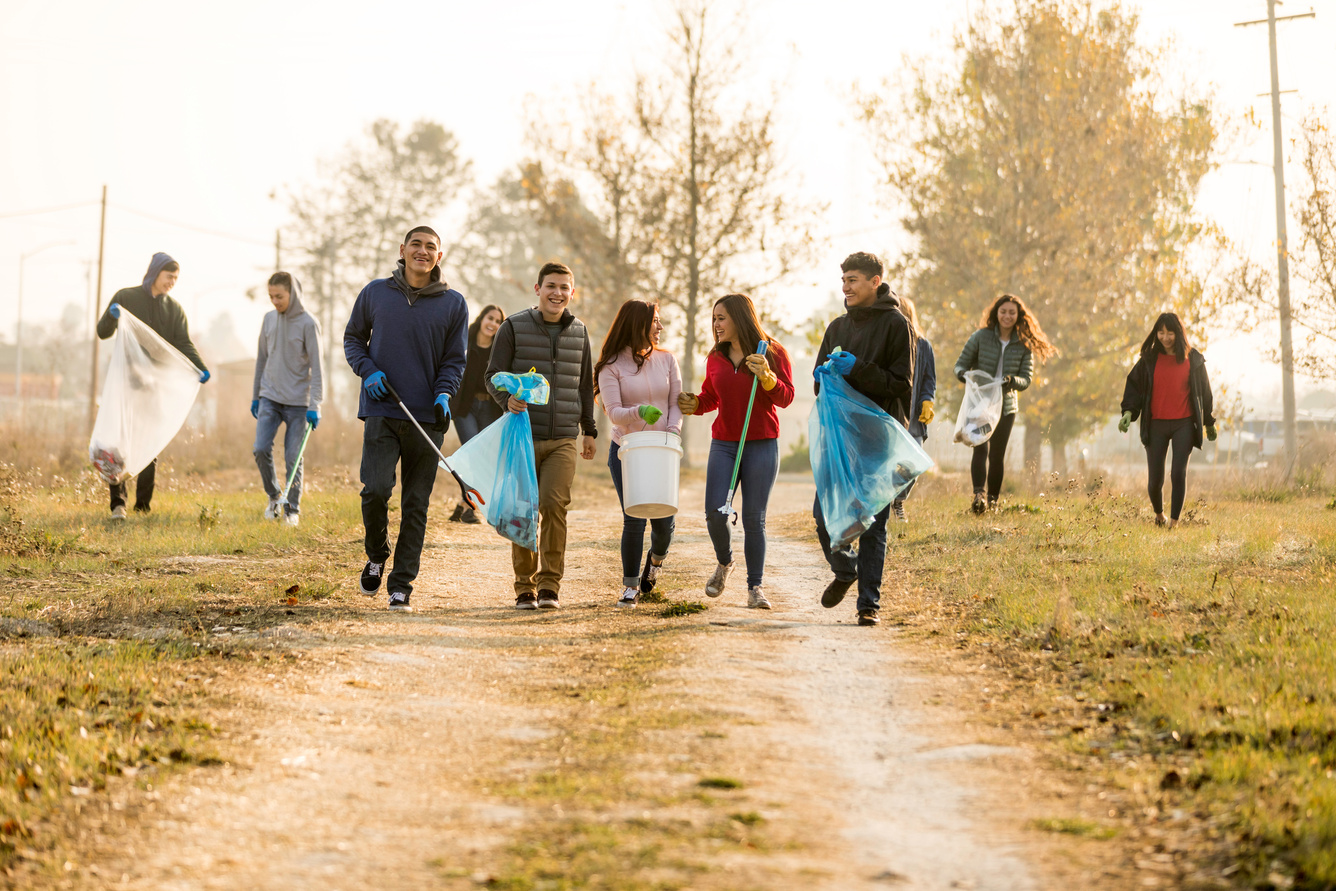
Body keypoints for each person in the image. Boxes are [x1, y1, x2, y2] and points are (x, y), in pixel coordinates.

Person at [344, 227, 468, 612]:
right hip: (382, 409)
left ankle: (402, 585)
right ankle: (376, 554)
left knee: (416, 504)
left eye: (431, 247)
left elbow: (455, 360)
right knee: (376, 490)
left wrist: (444, 393)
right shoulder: (375, 293)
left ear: (439, 257)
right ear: (402, 250)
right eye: (416, 244)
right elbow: (352, 339)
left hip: (427, 417)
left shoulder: (453, 303)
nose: (423, 251)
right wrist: (368, 370)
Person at [486, 262, 597, 610]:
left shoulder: (580, 332)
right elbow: (492, 375)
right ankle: (524, 587)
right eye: (551, 286)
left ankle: (549, 585)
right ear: (537, 289)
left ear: (572, 293)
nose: (557, 293)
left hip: (563, 437)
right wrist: (508, 399)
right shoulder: (513, 327)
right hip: (522, 435)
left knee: (553, 505)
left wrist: (588, 431)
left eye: (564, 287)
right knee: (523, 510)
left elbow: (584, 386)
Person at [812, 253, 915, 627]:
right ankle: (845, 569)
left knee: (874, 523)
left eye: (853, 280)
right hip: (840, 439)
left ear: (875, 282)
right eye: (843, 280)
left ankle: (868, 604)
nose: (846, 287)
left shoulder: (896, 325)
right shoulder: (836, 327)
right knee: (823, 515)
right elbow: (816, 383)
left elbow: (901, 385)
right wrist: (823, 374)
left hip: (879, 438)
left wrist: (858, 368)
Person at [677, 293, 794, 610]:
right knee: (715, 514)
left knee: (755, 520)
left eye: (721, 318)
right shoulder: (715, 357)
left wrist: (768, 378)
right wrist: (694, 405)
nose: (715, 325)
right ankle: (725, 562)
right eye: (714, 318)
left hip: (762, 444)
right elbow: (710, 398)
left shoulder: (772, 352)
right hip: (725, 443)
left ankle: (755, 587)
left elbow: (786, 398)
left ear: (741, 317)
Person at [96, 252, 210, 520]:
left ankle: (143, 506)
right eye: (169, 276)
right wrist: (113, 316)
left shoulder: (174, 310)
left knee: (149, 442)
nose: (172, 282)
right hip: (126, 382)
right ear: (155, 273)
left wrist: (199, 366)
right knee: (119, 441)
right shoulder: (126, 297)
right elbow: (102, 332)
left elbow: (183, 343)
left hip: (153, 384)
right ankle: (118, 504)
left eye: (176, 278)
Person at [595, 300, 682, 608]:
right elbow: (615, 413)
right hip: (627, 451)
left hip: (663, 450)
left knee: (664, 523)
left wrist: (672, 433)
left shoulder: (667, 360)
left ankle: (655, 563)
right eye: (655, 321)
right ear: (637, 325)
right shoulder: (610, 367)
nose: (660, 327)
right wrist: (638, 412)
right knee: (634, 518)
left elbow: (675, 403)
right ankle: (630, 587)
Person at [953, 293, 1057, 514]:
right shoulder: (980, 337)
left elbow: (1026, 379)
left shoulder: (1023, 344)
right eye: (1003, 311)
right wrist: (964, 375)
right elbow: (960, 365)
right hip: (980, 403)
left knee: (997, 455)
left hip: (1006, 407)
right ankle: (978, 495)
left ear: (1018, 315)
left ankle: (993, 501)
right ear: (996, 313)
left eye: (1012, 312)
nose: (1007, 316)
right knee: (979, 448)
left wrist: (1012, 381)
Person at [1118, 312, 1216, 528]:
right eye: (1161, 332)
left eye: (1170, 332)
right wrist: (1128, 412)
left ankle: (1174, 522)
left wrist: (1209, 421)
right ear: (1156, 333)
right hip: (1156, 425)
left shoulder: (1194, 359)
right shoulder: (1148, 360)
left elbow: (1204, 393)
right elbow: (1134, 387)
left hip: (1184, 423)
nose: (1165, 337)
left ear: (1178, 333)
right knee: (1155, 480)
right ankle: (1159, 515)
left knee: (1178, 472)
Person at [251, 271, 322, 527]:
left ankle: (292, 509)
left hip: (299, 403)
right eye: (271, 296)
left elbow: (317, 366)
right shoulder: (268, 319)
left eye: (279, 296)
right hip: (269, 396)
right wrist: (256, 396)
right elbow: (261, 359)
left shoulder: (308, 323)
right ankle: (274, 497)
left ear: (293, 294)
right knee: (260, 448)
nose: (275, 301)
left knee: (293, 456)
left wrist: (315, 404)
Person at [448, 303, 506, 524]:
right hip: (465, 409)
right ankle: (470, 508)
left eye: (498, 321)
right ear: (481, 319)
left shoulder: (499, 349)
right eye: (490, 318)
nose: (493, 324)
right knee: (473, 456)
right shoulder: (464, 342)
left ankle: (464, 505)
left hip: (490, 410)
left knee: (485, 459)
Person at [892, 295, 936, 523]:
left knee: (913, 464)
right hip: (890, 416)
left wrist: (928, 399)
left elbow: (929, 379)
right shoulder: (887, 343)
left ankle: (897, 499)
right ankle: (882, 506)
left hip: (914, 419)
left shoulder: (923, 345)